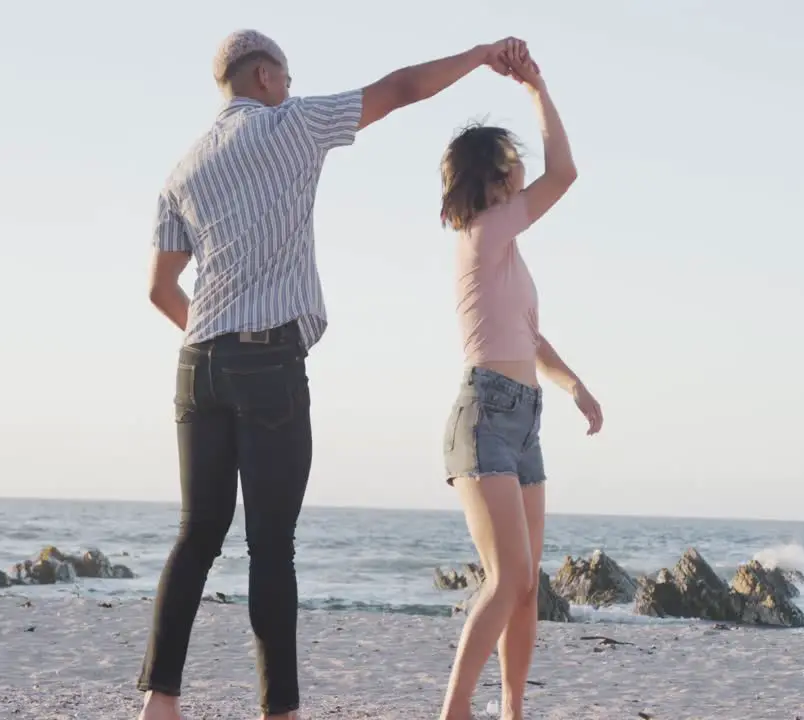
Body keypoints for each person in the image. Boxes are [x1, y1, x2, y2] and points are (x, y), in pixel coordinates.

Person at [137, 29, 534, 720]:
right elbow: (401, 89)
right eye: (286, 76)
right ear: (264, 76)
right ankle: (279, 712)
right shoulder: (292, 124)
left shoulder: (182, 169)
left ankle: (159, 703)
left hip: (197, 366)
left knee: (196, 533)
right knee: (271, 544)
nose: (290, 86)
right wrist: (476, 57)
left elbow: (159, 289)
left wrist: (216, 344)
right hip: (269, 364)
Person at [436, 47, 602, 720]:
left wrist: (574, 387)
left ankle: (512, 710)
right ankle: (454, 711)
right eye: (510, 160)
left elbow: (529, 340)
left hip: (523, 417)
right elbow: (564, 170)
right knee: (506, 578)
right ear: (494, 177)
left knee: (526, 584)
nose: (520, 167)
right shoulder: (485, 230)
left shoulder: (504, 248)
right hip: (484, 417)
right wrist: (536, 86)